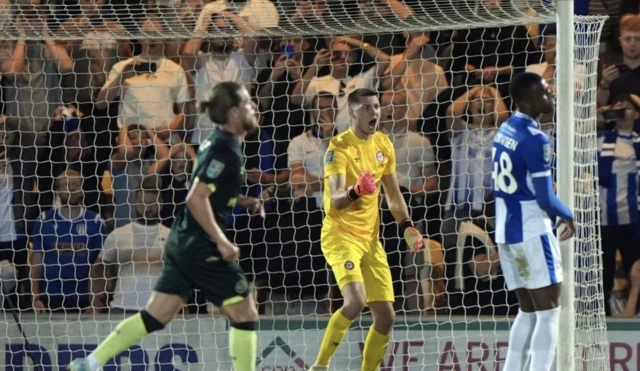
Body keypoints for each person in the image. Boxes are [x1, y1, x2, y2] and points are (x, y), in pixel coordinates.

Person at [68, 81, 264, 371]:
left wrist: (242, 200)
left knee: (155, 316)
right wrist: (221, 240)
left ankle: (90, 363)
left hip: (183, 242)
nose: (254, 107)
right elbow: (196, 199)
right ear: (234, 112)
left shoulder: (220, 142)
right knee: (245, 312)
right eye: (248, 103)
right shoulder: (224, 149)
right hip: (200, 245)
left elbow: (212, 192)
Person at [308, 88, 424, 371]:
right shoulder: (338, 148)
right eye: (367, 109)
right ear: (351, 113)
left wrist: (407, 225)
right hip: (340, 235)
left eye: (376, 106)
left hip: (371, 241)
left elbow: (394, 195)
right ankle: (320, 366)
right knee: (356, 300)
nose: (374, 113)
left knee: (386, 316)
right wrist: (356, 191)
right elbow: (335, 200)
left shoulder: (383, 144)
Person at [492, 72, 576, 371]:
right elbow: (545, 199)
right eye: (544, 92)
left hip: (506, 233)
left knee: (527, 311)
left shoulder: (505, 130)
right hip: (531, 232)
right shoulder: (535, 139)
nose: (550, 96)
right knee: (549, 312)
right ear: (527, 100)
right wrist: (569, 214)